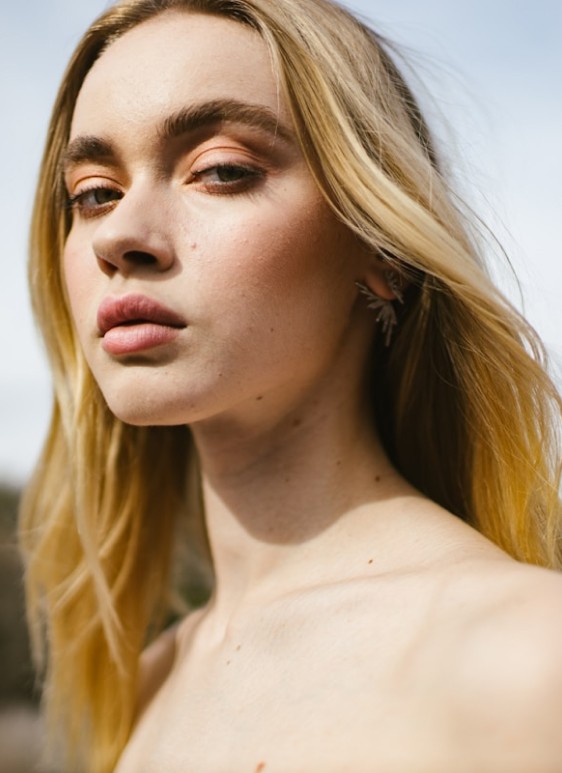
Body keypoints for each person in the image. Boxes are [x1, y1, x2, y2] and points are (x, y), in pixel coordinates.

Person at [19, 0, 562, 770]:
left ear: (382, 248)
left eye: (221, 171)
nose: (118, 236)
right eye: (94, 192)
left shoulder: (527, 659)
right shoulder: (140, 689)